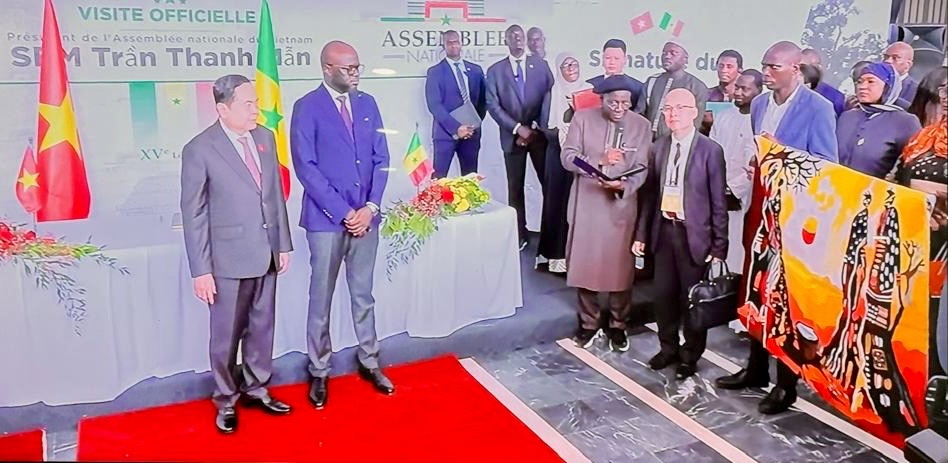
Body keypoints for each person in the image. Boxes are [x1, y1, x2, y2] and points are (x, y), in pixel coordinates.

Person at [715, 41, 838, 415]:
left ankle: (786, 384)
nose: (766, 72)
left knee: (786, 297)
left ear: (795, 69)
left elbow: (826, 167)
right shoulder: (759, 104)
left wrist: (781, 158)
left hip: (794, 215)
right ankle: (755, 368)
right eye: (764, 65)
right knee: (755, 288)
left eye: (774, 67)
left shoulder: (819, 108)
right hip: (759, 207)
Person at [180, 74, 293, 433]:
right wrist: (201, 270)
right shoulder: (199, 149)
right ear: (222, 109)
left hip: (266, 252)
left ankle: (257, 387)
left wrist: (283, 244)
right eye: (248, 104)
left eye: (256, 102)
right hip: (226, 261)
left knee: (262, 328)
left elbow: (274, 196)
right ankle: (226, 399)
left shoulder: (265, 138)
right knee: (226, 336)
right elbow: (194, 214)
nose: (256, 110)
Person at [290, 40, 393, 410]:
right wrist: (345, 212)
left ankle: (370, 360)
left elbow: (381, 158)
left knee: (363, 294)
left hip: (366, 218)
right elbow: (306, 167)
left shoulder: (368, 104)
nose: (355, 74)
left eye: (357, 67)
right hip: (326, 221)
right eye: (348, 68)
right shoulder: (306, 107)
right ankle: (319, 369)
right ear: (327, 69)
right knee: (321, 298)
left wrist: (370, 208)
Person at [633, 88, 728, 379]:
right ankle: (668, 348)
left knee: (691, 301)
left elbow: (718, 201)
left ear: (694, 112)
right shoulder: (658, 147)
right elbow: (649, 197)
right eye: (668, 109)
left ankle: (690, 355)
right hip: (664, 231)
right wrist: (641, 234)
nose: (673, 114)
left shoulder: (710, 150)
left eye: (680, 108)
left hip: (694, 236)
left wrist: (719, 245)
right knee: (663, 298)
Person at [560, 75, 651, 352]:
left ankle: (618, 325)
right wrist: (598, 160)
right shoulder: (583, 119)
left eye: (625, 103)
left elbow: (643, 167)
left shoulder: (641, 125)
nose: (620, 108)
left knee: (619, 269)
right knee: (586, 265)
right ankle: (589, 323)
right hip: (588, 202)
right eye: (614, 102)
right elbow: (567, 157)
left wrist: (623, 185)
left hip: (621, 204)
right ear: (602, 100)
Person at [895, 73, 947, 382]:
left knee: (937, 322)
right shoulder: (922, 137)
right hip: (912, 237)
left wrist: (938, 198)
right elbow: (896, 178)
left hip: (943, 244)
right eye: (945, 90)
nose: (946, 98)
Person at [486, 24, 554, 250]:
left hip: (538, 136)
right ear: (505, 40)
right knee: (515, 189)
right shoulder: (495, 71)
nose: (517, 39)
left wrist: (533, 127)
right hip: (511, 138)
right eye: (512, 36)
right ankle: (519, 235)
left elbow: (549, 96)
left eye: (520, 35)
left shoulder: (541, 65)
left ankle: (550, 236)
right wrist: (517, 128)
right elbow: (492, 105)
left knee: (549, 185)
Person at [538, 52, 589, 273]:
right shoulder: (553, 93)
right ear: (559, 70)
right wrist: (563, 133)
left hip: (585, 157)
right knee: (557, 204)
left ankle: (582, 258)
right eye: (566, 65)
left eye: (574, 64)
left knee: (583, 205)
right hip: (557, 157)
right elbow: (544, 126)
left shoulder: (588, 90)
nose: (571, 68)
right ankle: (557, 258)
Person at [709, 69, 763, 271]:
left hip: (744, 195)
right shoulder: (724, 116)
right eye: (737, 87)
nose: (738, 92)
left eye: (745, 89)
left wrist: (733, 189)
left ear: (759, 91)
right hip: (717, 190)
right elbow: (711, 151)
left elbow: (757, 162)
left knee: (738, 248)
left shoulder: (762, 121)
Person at [837, 62, 920, 179]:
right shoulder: (847, 116)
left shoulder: (905, 122)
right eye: (860, 82)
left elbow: (911, 166)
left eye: (870, 81)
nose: (862, 86)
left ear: (888, 87)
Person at [424, 30, 487, 178]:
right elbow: (434, 105)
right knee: (439, 181)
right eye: (449, 43)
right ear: (443, 46)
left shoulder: (476, 70)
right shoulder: (435, 72)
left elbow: (483, 101)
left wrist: (473, 125)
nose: (453, 46)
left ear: (461, 43)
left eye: (456, 42)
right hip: (445, 135)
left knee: (470, 180)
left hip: (471, 134)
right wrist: (456, 128)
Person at [644, 41, 709, 140]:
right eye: (664, 53)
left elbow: (696, 123)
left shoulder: (696, 86)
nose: (667, 56)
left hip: (676, 143)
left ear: (685, 59)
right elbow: (640, 114)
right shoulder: (652, 81)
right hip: (647, 142)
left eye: (673, 53)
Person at [586, 39, 646, 115]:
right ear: (602, 58)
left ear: (625, 60)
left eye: (616, 58)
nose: (612, 62)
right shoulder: (589, 85)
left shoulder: (638, 88)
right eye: (608, 58)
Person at [702, 49, 744, 133]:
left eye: (729, 67)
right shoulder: (706, 94)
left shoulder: (745, 97)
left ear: (739, 70)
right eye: (721, 66)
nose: (724, 70)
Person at [801, 48, 846, 116]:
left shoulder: (836, 97)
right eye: (811, 66)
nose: (815, 69)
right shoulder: (788, 92)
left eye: (818, 65)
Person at [883, 41, 918, 107]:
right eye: (886, 57)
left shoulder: (916, 91)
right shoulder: (874, 82)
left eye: (895, 58)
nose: (887, 61)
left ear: (908, 64)